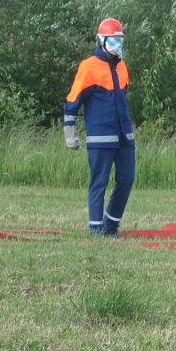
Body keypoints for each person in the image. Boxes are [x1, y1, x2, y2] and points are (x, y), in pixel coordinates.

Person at [63, 18, 136, 236]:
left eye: (120, 39)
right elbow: (73, 101)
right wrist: (69, 134)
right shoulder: (88, 67)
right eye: (113, 39)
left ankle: (111, 226)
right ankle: (96, 230)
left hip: (124, 136)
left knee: (127, 179)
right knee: (99, 183)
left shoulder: (122, 66)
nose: (117, 44)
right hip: (100, 136)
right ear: (102, 40)